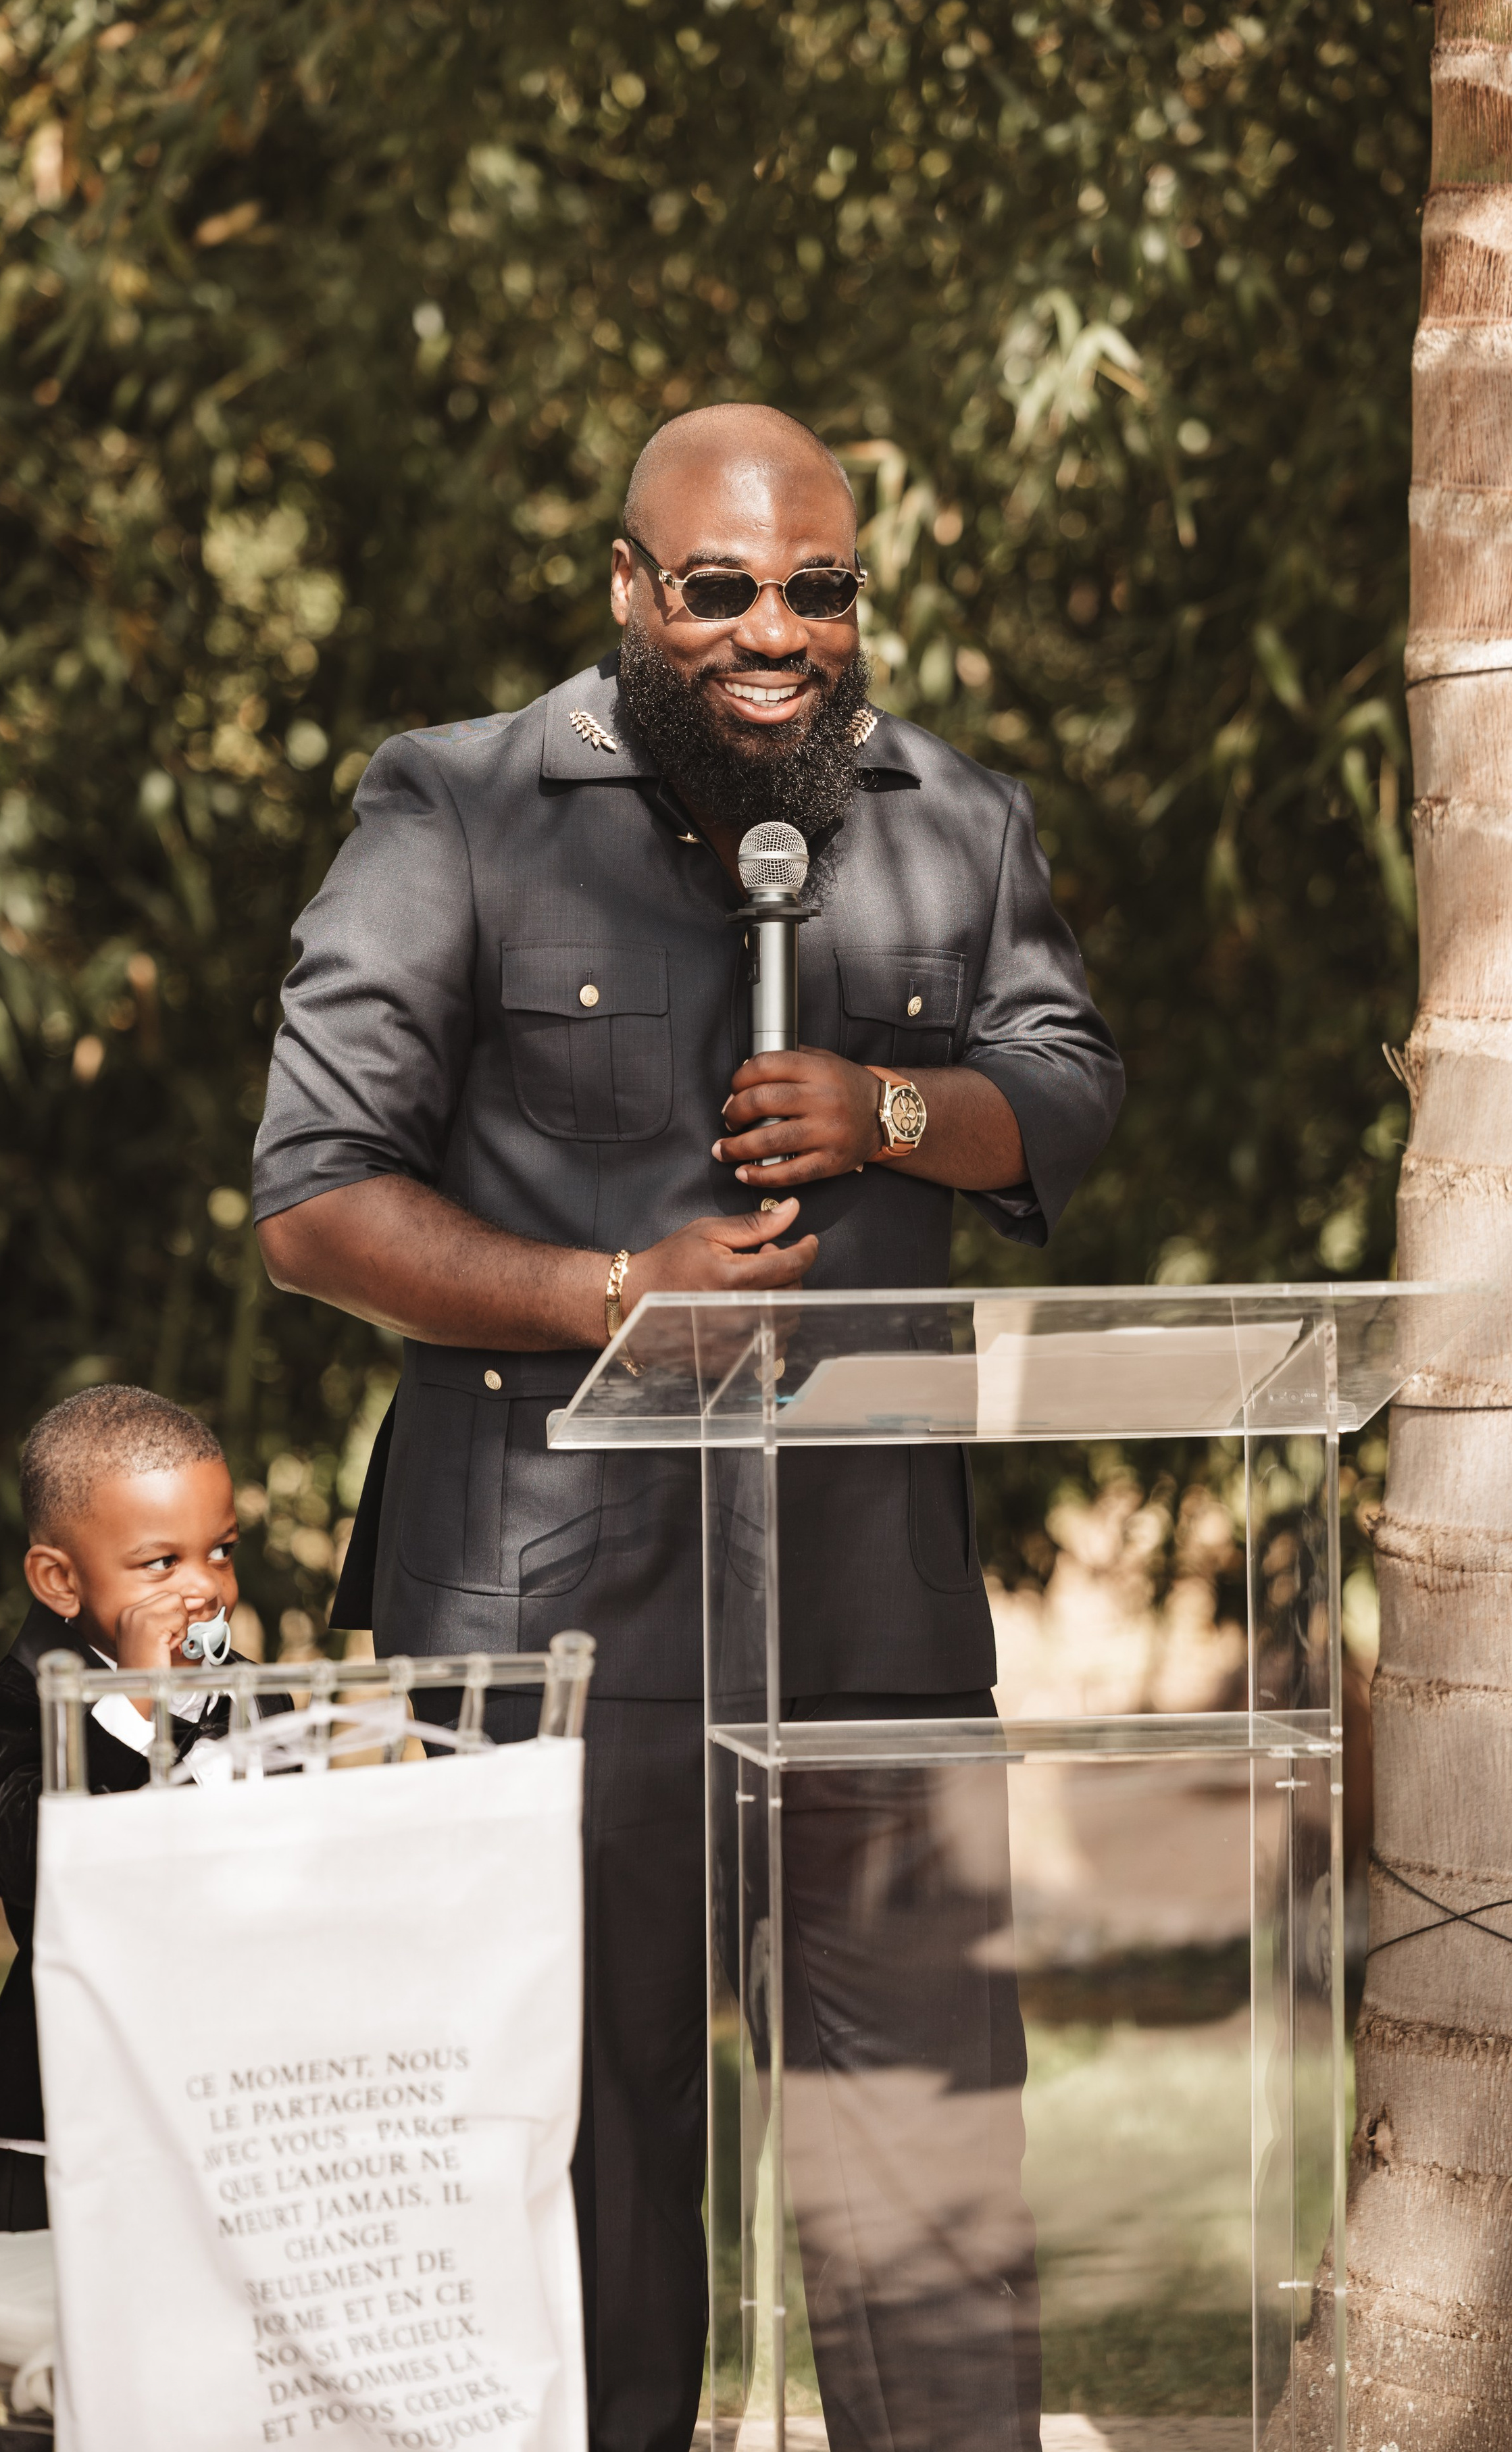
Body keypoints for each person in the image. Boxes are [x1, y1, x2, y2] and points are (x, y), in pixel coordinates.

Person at [252, 402, 1124, 2452]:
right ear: (634, 588)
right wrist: (594, 1296)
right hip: (547, 1614)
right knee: (585, 2181)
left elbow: (1065, 1092)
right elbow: (311, 1199)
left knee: (927, 2167)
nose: (773, 632)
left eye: (815, 589)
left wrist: (893, 1105)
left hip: (870, 1619)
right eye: (719, 586)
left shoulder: (948, 818)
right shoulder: (457, 807)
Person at [0, 1385, 290, 2243]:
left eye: (220, 1551)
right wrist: (139, 1712)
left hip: (237, 2085)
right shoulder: (11, 1714)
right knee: (68, 2335)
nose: (205, 1588)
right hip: (76, 2108)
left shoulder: (257, 1692)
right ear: (59, 1578)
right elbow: (34, 1860)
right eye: (160, 1564)